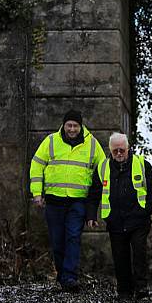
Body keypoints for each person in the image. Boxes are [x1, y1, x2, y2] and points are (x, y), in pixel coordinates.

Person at [29, 109, 106, 292]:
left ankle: (70, 277)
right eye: (69, 125)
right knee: (57, 241)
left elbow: (103, 169)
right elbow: (36, 165)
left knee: (73, 237)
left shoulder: (92, 145)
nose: (72, 129)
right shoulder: (51, 141)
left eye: (75, 126)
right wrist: (37, 193)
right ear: (63, 125)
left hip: (77, 201)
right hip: (54, 200)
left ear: (81, 126)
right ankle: (62, 275)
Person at [86, 132, 152, 299]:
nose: (119, 153)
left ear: (128, 149)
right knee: (120, 256)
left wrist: (145, 210)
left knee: (139, 253)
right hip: (115, 220)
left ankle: (141, 288)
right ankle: (124, 290)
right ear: (110, 150)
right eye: (115, 150)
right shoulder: (103, 167)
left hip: (138, 219)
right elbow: (94, 194)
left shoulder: (141, 164)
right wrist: (91, 216)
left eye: (122, 150)